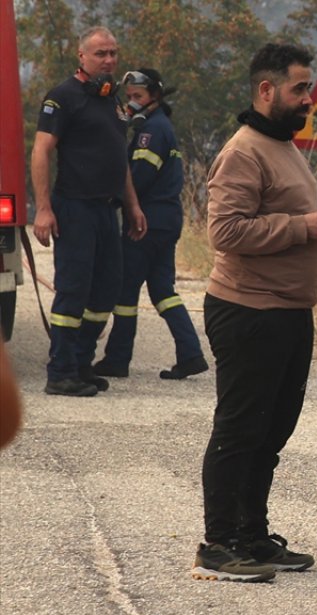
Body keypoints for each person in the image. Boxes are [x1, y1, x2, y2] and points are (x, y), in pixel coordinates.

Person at [192, 43, 317, 583]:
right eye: (300, 89)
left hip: (288, 311)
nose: (309, 99)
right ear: (267, 91)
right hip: (248, 310)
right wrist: (304, 227)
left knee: (272, 430)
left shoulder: (284, 145)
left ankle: (252, 535)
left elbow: (279, 218)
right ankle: (218, 543)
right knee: (241, 429)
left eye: (308, 88)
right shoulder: (244, 151)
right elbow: (226, 232)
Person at [31, 26, 148, 397]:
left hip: (105, 209)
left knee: (105, 290)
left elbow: (119, 159)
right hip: (74, 207)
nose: (109, 60)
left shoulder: (112, 100)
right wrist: (44, 209)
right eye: (101, 54)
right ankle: (60, 371)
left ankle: (81, 364)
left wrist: (132, 205)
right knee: (74, 290)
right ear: (82, 57)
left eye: (113, 53)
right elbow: (41, 152)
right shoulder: (63, 97)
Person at [93, 67, 208, 381]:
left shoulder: (151, 132)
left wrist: (115, 202)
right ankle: (191, 354)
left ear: (154, 97)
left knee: (125, 291)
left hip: (146, 222)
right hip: (166, 221)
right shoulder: (163, 127)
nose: (131, 103)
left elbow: (140, 176)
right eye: (128, 97)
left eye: (138, 97)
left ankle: (117, 359)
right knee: (162, 291)